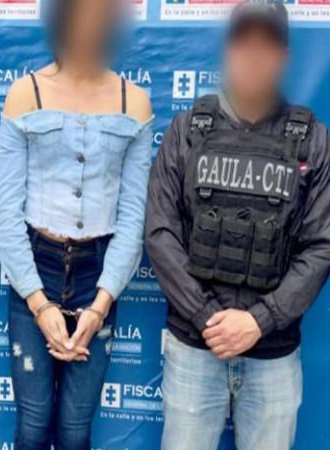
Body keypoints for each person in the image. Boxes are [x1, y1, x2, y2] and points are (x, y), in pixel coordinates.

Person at [146, 1, 330, 449]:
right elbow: (160, 232)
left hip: (273, 355)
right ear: (227, 50)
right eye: (243, 44)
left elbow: (321, 245)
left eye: (265, 46)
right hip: (195, 348)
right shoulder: (188, 129)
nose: (253, 57)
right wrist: (209, 318)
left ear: (284, 57)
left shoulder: (312, 139)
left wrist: (258, 322)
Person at [0, 0, 153, 448]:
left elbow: (133, 217)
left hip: (96, 276)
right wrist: (39, 304)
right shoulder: (26, 94)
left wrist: (99, 306)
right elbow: (5, 212)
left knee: (77, 429)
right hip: (35, 270)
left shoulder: (134, 102)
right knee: (32, 424)